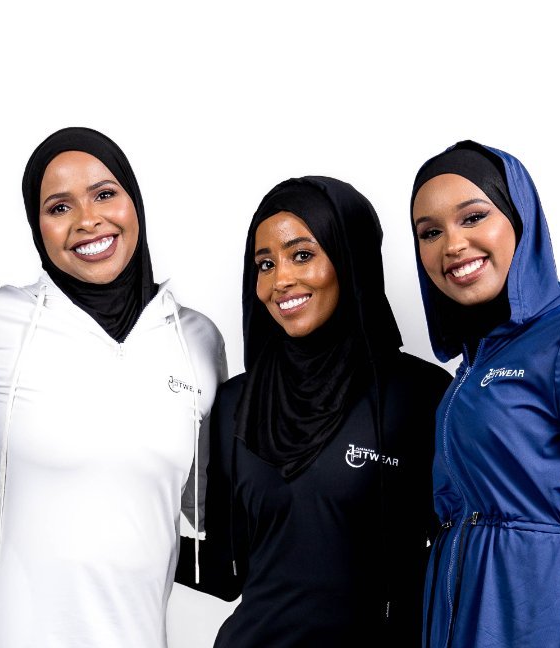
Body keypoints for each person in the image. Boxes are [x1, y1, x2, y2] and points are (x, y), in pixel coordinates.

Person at [0, 127, 227, 647]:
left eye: (104, 194)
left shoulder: (196, 340)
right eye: (60, 207)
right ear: (37, 227)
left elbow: (206, 505)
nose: (87, 220)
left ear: (134, 202)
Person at [177, 176, 452, 645]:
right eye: (265, 264)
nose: (280, 280)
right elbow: (225, 571)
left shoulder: (422, 395)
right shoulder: (236, 403)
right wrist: (124, 535)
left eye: (302, 255)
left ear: (349, 256)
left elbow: (459, 555)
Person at [410, 141, 560, 646]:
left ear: (520, 220)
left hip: (536, 622)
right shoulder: (469, 368)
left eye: (473, 217)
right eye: (430, 232)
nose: (452, 244)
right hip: (456, 623)